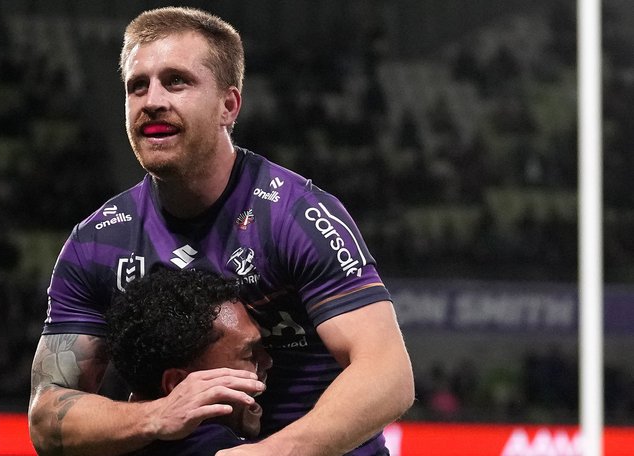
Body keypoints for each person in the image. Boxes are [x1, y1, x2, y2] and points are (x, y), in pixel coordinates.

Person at [28, 6, 414, 456]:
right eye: (137, 86)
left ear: (228, 106)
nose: (152, 99)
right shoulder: (95, 244)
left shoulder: (296, 215)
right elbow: (47, 417)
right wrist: (158, 415)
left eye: (176, 81)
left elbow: (389, 375)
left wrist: (270, 454)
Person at [106, 268, 273, 455]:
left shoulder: (104, 441)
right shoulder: (214, 445)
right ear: (178, 383)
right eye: (249, 355)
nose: (267, 361)